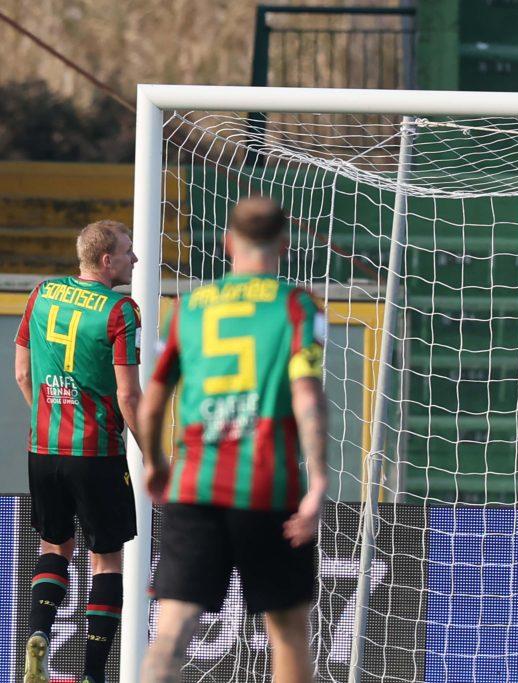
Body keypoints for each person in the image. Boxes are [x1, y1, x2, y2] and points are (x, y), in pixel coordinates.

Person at [138, 197, 328, 683]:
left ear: (227, 244)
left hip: (194, 486)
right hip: (268, 489)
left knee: (172, 630)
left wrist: (156, 463)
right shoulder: (296, 304)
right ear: (284, 245)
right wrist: (319, 479)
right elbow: (306, 390)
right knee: (286, 631)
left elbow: (154, 398)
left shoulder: (187, 307)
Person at [14, 220, 142, 683]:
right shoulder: (120, 310)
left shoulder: (41, 293)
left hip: (42, 448)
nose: (135, 260)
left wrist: (48, 417)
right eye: (129, 252)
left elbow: (23, 373)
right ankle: (92, 675)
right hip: (96, 452)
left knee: (54, 546)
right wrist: (151, 454)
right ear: (106, 261)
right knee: (106, 560)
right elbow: (129, 397)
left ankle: (39, 635)